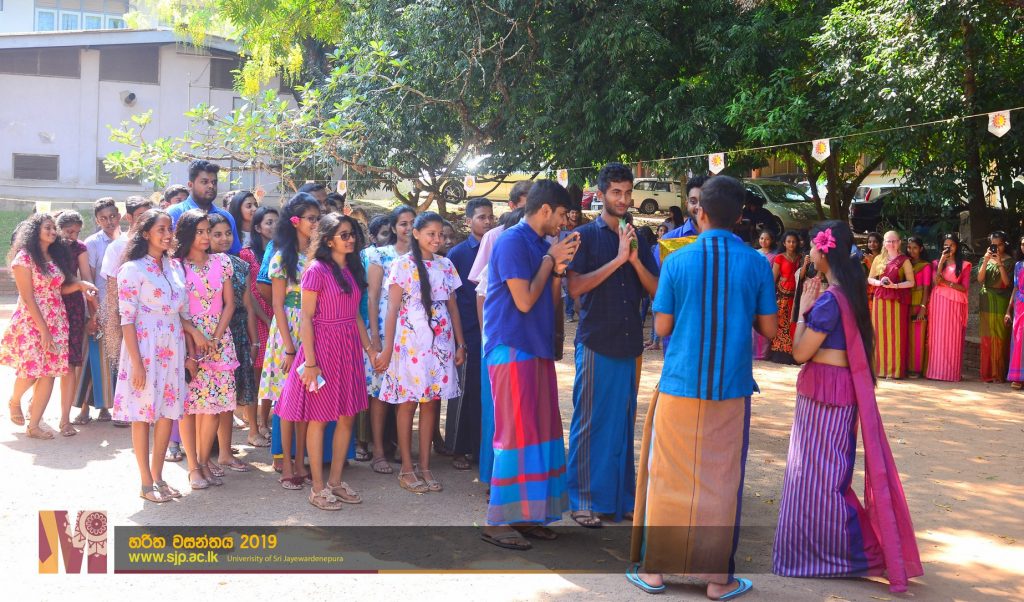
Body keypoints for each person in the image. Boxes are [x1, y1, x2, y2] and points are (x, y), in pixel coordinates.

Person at [628, 175, 776, 599]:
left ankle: (655, 571)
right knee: (721, 481)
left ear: (700, 212)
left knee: (668, 475)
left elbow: (662, 326)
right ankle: (716, 579)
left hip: (680, 382)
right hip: (730, 388)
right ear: (740, 216)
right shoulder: (756, 263)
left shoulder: (677, 261)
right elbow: (768, 329)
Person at [772, 221, 924, 592]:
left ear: (824, 252)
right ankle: (839, 553)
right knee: (827, 476)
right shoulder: (848, 295)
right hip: (838, 391)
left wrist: (802, 310)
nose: (808, 251)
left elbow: (799, 352)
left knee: (815, 479)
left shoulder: (828, 301)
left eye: (812, 245)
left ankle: (850, 554)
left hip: (823, 394)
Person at [479, 180, 579, 551]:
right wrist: (551, 260)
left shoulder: (540, 244)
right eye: (562, 214)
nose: (564, 222)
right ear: (545, 209)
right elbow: (523, 301)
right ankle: (497, 521)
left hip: (534, 346)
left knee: (539, 431)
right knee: (515, 433)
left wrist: (557, 268)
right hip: (511, 346)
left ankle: (526, 515)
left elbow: (547, 299)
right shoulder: (511, 241)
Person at [565, 162, 659, 528]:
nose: (623, 199)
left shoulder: (638, 237)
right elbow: (575, 288)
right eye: (616, 192)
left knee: (622, 422)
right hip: (596, 340)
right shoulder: (584, 236)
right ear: (601, 194)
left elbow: (655, 290)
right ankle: (582, 500)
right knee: (590, 421)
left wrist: (633, 260)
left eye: (627, 192)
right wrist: (618, 260)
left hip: (629, 341)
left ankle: (620, 501)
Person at [277, 214, 372, 509]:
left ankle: (335, 482)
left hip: (348, 348)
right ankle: (317, 488)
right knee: (319, 418)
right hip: (322, 348)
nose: (351, 239)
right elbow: (306, 317)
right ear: (329, 240)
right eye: (344, 235)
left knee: (347, 416)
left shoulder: (352, 268)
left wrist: (369, 349)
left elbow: (355, 315)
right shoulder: (316, 270)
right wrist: (310, 363)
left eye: (352, 234)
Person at [377, 212, 465, 493]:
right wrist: (387, 348)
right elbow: (392, 309)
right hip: (410, 343)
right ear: (416, 234)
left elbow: (453, 307)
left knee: (431, 403)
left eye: (440, 234)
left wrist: (460, 343)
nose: (437, 239)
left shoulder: (446, 265)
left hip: (441, 343)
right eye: (431, 234)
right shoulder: (402, 265)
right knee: (407, 403)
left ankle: (425, 467)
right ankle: (406, 468)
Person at [111, 209, 189, 501]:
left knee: (168, 412)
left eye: (170, 229)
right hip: (144, 347)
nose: (168, 235)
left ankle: (159, 477)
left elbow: (182, 313)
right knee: (142, 415)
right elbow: (126, 319)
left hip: (173, 344)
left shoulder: (175, 266)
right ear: (146, 234)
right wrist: (137, 364)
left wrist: (195, 342)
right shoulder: (132, 270)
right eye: (161, 229)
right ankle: (145, 483)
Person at [258, 194, 332, 485]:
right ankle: (286, 465)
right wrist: (289, 348)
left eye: (318, 218)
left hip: (313, 330)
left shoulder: (319, 257)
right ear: (295, 221)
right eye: (311, 218)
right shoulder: (282, 257)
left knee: (308, 400)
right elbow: (277, 305)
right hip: (288, 331)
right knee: (286, 401)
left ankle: (301, 462)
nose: (316, 223)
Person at [2, 214, 96, 439]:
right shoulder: (24, 258)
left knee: (50, 373)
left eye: (54, 228)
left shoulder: (55, 256)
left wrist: (79, 286)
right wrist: (44, 330)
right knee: (32, 370)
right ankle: (15, 401)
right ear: (35, 230)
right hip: (33, 321)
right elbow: (28, 298)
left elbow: (57, 289)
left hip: (57, 319)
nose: (53, 232)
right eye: (48, 227)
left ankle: (33, 426)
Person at [174, 210, 240, 489]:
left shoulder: (222, 261)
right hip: (188, 339)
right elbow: (176, 310)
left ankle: (204, 462)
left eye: (206, 232)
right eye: (198, 232)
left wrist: (215, 336)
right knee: (189, 407)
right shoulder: (176, 266)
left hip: (219, 339)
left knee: (213, 407)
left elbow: (230, 303)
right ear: (187, 233)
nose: (204, 237)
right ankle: (192, 467)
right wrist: (196, 336)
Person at [443, 198, 495, 470]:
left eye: (490, 217)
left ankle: (479, 447)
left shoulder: (498, 246)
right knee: (463, 391)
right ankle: (457, 448)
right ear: (468, 221)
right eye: (481, 217)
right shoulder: (459, 254)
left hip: (491, 330)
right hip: (465, 331)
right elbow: (450, 299)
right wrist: (457, 338)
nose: (487, 222)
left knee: (484, 392)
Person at [364, 206, 415, 475]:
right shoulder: (380, 255)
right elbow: (372, 297)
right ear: (394, 227)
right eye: (403, 223)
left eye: (413, 222)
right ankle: (378, 452)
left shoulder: (422, 256)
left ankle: (401, 450)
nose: (408, 228)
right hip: (384, 329)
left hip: (413, 333)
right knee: (380, 392)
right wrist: (374, 336)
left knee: (407, 392)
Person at [208, 214, 257, 470]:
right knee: (206, 397)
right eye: (217, 234)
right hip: (208, 334)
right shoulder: (194, 265)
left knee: (228, 397)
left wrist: (254, 341)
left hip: (236, 333)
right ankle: (203, 454)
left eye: (228, 233)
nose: (224, 239)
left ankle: (225, 452)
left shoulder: (239, 265)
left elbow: (247, 305)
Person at [55, 211, 97, 432]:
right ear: (58, 228)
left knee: (70, 364)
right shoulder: (48, 247)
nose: (72, 236)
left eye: (76, 232)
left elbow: (86, 278)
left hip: (73, 308)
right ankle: (31, 402)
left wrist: (93, 309)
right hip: (50, 305)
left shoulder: (79, 247)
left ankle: (64, 419)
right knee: (46, 362)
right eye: (68, 231)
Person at [239, 206, 278, 444]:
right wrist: (266, 318)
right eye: (268, 222)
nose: (273, 226)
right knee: (255, 373)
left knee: (271, 372)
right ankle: (253, 426)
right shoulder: (246, 254)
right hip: (256, 317)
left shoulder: (280, 251)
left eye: (276, 222)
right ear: (257, 227)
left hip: (277, 313)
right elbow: (249, 293)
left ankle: (265, 421)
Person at [81, 197, 121, 422]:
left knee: (115, 360)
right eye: (103, 218)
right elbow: (90, 281)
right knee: (94, 360)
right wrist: (96, 313)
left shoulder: (126, 240)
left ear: (119, 215)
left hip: (121, 310)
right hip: (99, 308)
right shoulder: (93, 244)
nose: (109, 221)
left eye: (112, 216)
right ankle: (85, 408)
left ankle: (106, 407)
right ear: (97, 220)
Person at [167, 160, 242, 254]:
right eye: (204, 182)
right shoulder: (174, 213)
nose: (211, 186)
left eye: (214, 182)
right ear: (190, 185)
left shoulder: (226, 216)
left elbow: (234, 252)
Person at [866, 231, 914, 378]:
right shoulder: (878, 259)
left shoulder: (904, 260)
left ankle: (895, 371)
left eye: (894, 241)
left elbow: (911, 282)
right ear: (884, 243)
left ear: (899, 243)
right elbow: (870, 279)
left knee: (896, 334)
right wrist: (880, 282)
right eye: (888, 241)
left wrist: (895, 286)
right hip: (880, 299)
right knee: (879, 334)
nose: (891, 244)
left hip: (897, 300)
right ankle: (879, 370)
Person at [925, 234, 972, 382]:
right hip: (938, 301)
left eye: (951, 245)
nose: (948, 247)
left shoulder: (964, 265)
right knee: (937, 336)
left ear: (957, 247)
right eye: (946, 245)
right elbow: (934, 282)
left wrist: (946, 283)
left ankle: (951, 374)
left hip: (955, 303)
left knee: (953, 336)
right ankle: (935, 371)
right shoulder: (935, 263)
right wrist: (941, 262)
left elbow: (964, 288)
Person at [978, 231, 1013, 382]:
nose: (997, 248)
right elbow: (980, 279)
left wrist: (999, 263)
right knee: (986, 336)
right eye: (994, 245)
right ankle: (986, 374)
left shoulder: (1010, 261)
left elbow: (1007, 283)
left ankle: (999, 374)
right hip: (986, 300)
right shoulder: (984, 259)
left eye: (1000, 245)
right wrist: (986, 261)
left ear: (1005, 244)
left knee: (1001, 336)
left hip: (1001, 301)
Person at [771, 230, 803, 363]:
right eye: (789, 241)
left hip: (797, 295)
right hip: (782, 295)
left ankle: (794, 354)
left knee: (794, 323)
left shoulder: (801, 258)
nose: (791, 244)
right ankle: (780, 355)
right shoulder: (779, 258)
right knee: (782, 324)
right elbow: (773, 278)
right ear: (784, 243)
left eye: (794, 242)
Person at [907, 236, 933, 378]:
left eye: (915, 248)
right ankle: (906, 366)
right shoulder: (906, 264)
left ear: (921, 249)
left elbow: (926, 288)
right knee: (908, 337)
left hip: (918, 304)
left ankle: (916, 369)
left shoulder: (926, 266)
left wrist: (923, 307)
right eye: (909, 248)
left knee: (918, 337)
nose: (911, 250)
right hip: (906, 302)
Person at [753, 229, 778, 359]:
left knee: (764, 319)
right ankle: (752, 351)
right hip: (754, 289)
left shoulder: (774, 256)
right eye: (762, 238)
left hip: (766, 290)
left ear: (771, 240)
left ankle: (762, 353)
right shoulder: (753, 253)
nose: (764, 241)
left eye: (767, 239)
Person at [1006, 236, 1024, 388]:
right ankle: (1018, 376)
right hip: (1020, 306)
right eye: (1023, 244)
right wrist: (1008, 310)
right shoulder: (1018, 265)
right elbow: (1016, 287)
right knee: (1018, 338)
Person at [863, 232, 883, 312]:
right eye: (870, 242)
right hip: (867, 289)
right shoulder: (865, 258)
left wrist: (872, 262)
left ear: (880, 243)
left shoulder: (883, 258)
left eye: (875, 242)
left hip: (878, 288)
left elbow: (879, 276)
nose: (872, 244)